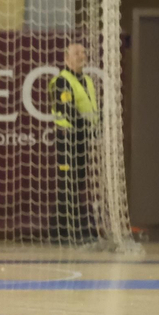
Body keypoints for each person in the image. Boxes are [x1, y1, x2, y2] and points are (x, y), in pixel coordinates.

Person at [48, 42, 99, 244]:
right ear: (66, 58)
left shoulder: (87, 80)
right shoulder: (62, 81)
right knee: (66, 184)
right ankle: (60, 230)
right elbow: (68, 110)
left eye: (83, 53)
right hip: (66, 138)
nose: (81, 56)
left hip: (82, 139)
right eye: (76, 53)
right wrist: (86, 124)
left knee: (77, 184)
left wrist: (97, 123)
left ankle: (74, 227)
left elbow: (90, 108)